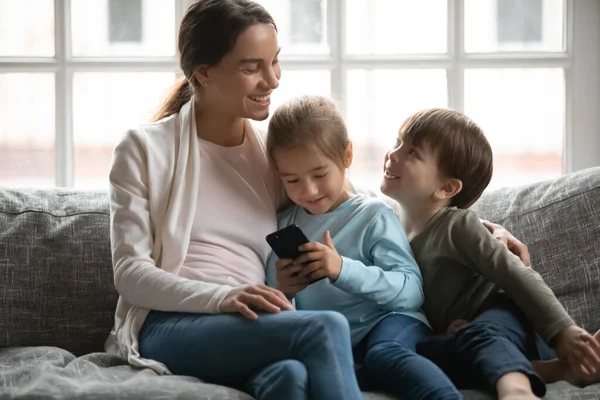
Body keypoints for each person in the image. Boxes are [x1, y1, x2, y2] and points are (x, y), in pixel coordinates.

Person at [104, 1, 365, 399]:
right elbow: (130, 273)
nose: (273, 80)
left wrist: (438, 219)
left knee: (290, 378)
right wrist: (222, 297)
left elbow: (346, 198)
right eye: (251, 68)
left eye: (275, 61)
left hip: (252, 322)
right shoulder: (144, 149)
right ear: (204, 73)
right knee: (324, 327)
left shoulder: (269, 155)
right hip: (171, 324)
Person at [380, 108, 600, 400]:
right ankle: (557, 371)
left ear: (447, 188)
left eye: (412, 153)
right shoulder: (387, 224)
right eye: (397, 142)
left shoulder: (458, 225)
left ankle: (518, 392)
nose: (392, 154)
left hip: (506, 317)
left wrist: (563, 332)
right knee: (418, 354)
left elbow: (516, 274)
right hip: (470, 334)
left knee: (478, 335)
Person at [264, 95, 467, 399]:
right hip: (336, 342)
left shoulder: (373, 215)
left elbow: (411, 292)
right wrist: (285, 291)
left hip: (388, 323)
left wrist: (342, 269)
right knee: (314, 373)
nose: (308, 190)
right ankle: (451, 354)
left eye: (320, 174)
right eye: (292, 180)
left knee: (383, 353)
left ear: (346, 156)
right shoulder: (282, 227)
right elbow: (277, 305)